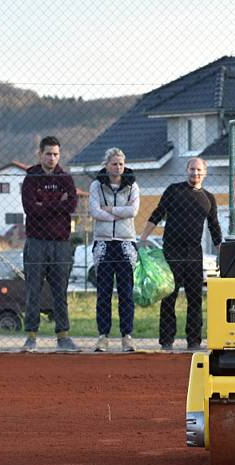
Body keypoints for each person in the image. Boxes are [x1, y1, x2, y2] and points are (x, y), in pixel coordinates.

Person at [139, 158, 222, 351]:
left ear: (205, 173)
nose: (195, 173)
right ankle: (166, 341)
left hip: (194, 253)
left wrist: (221, 251)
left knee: (195, 297)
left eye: (199, 170)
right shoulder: (174, 190)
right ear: (187, 170)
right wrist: (143, 237)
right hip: (171, 251)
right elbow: (157, 213)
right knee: (169, 296)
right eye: (192, 169)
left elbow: (214, 226)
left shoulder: (209, 198)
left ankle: (194, 341)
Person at [20, 136, 78, 352]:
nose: (52, 158)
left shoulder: (66, 178)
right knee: (33, 291)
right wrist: (57, 203)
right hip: (36, 242)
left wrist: (43, 202)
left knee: (60, 291)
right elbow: (30, 208)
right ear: (40, 154)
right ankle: (31, 337)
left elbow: (71, 205)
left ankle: (63, 336)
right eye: (48, 154)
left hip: (60, 243)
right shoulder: (31, 177)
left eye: (55, 154)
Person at [89, 148, 140, 352]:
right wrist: (118, 215)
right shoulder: (96, 185)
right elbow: (94, 210)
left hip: (126, 242)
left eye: (121, 163)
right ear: (106, 165)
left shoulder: (132, 186)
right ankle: (103, 336)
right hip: (103, 242)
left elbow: (133, 211)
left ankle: (127, 335)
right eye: (114, 163)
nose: (118, 167)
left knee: (126, 292)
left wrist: (109, 210)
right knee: (104, 292)